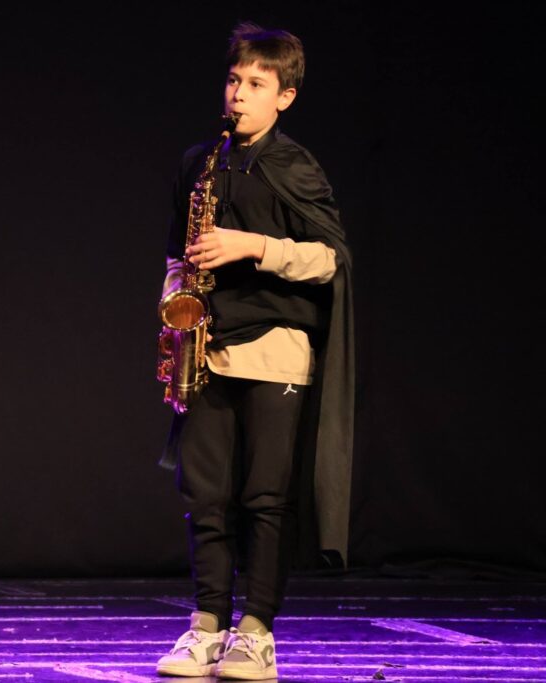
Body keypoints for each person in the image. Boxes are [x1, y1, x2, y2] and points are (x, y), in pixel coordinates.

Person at [155, 21, 355, 680]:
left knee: (264, 497)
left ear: (285, 96)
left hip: (275, 346)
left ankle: (257, 632)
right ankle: (207, 625)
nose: (239, 94)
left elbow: (330, 259)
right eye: (234, 80)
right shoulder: (201, 161)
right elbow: (177, 253)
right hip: (208, 345)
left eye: (257, 84)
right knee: (205, 494)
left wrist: (252, 247)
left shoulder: (294, 165)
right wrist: (174, 313)